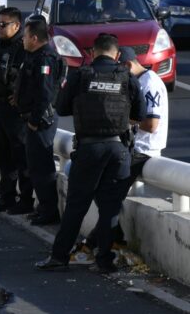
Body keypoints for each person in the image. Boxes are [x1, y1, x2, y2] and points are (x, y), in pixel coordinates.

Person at [36, 34, 145, 274]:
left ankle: (59, 257)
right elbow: (141, 113)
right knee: (110, 208)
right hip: (118, 150)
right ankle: (104, 261)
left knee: (77, 206)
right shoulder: (127, 77)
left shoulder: (81, 75)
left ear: (93, 53)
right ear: (117, 55)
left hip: (88, 149)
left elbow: (61, 106)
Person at [68, 46, 168, 265]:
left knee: (106, 197)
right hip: (128, 149)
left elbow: (151, 124)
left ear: (128, 65)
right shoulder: (139, 80)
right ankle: (111, 241)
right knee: (103, 196)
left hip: (141, 151)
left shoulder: (148, 83)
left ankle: (99, 244)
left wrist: (120, 119)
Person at [0, 8, 33, 214]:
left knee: (21, 156)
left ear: (16, 26)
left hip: (15, 111)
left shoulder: (23, 48)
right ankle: (6, 197)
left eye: (4, 24)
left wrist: (21, 99)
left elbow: (29, 79)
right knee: (3, 158)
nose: (0, 28)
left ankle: (26, 200)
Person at [14, 17, 65, 226]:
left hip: (42, 121)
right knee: (34, 167)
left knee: (43, 168)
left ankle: (50, 211)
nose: (23, 40)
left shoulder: (45, 59)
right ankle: (43, 207)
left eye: (25, 36)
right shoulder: (34, 56)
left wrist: (34, 121)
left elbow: (45, 94)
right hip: (33, 119)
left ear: (34, 38)